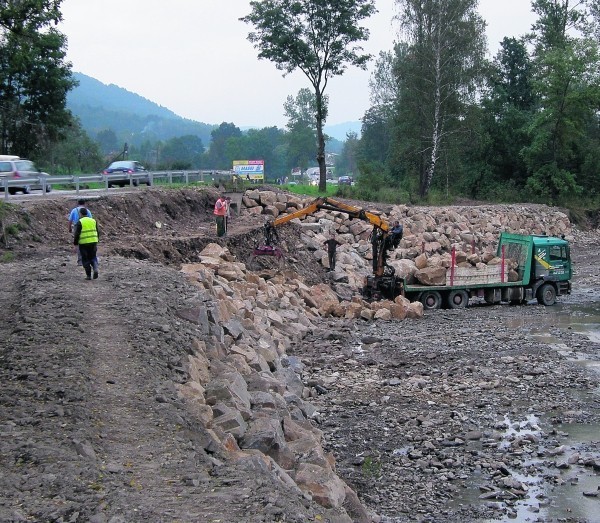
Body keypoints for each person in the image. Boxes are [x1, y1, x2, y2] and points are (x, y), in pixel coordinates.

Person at [73, 208, 100, 280]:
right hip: (93, 242)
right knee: (93, 256)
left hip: (83, 243)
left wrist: (75, 243)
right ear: (87, 213)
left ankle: (88, 275)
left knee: (85, 259)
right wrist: (97, 240)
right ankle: (95, 267)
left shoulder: (80, 222)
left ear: (81, 214)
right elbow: (97, 231)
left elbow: (77, 234)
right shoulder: (93, 221)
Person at [68, 199, 92, 266]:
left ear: (78, 203)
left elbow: (70, 220)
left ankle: (80, 261)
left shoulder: (74, 210)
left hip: (77, 227)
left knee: (78, 244)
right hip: (86, 227)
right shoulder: (87, 211)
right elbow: (91, 220)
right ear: (84, 203)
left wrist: (69, 228)